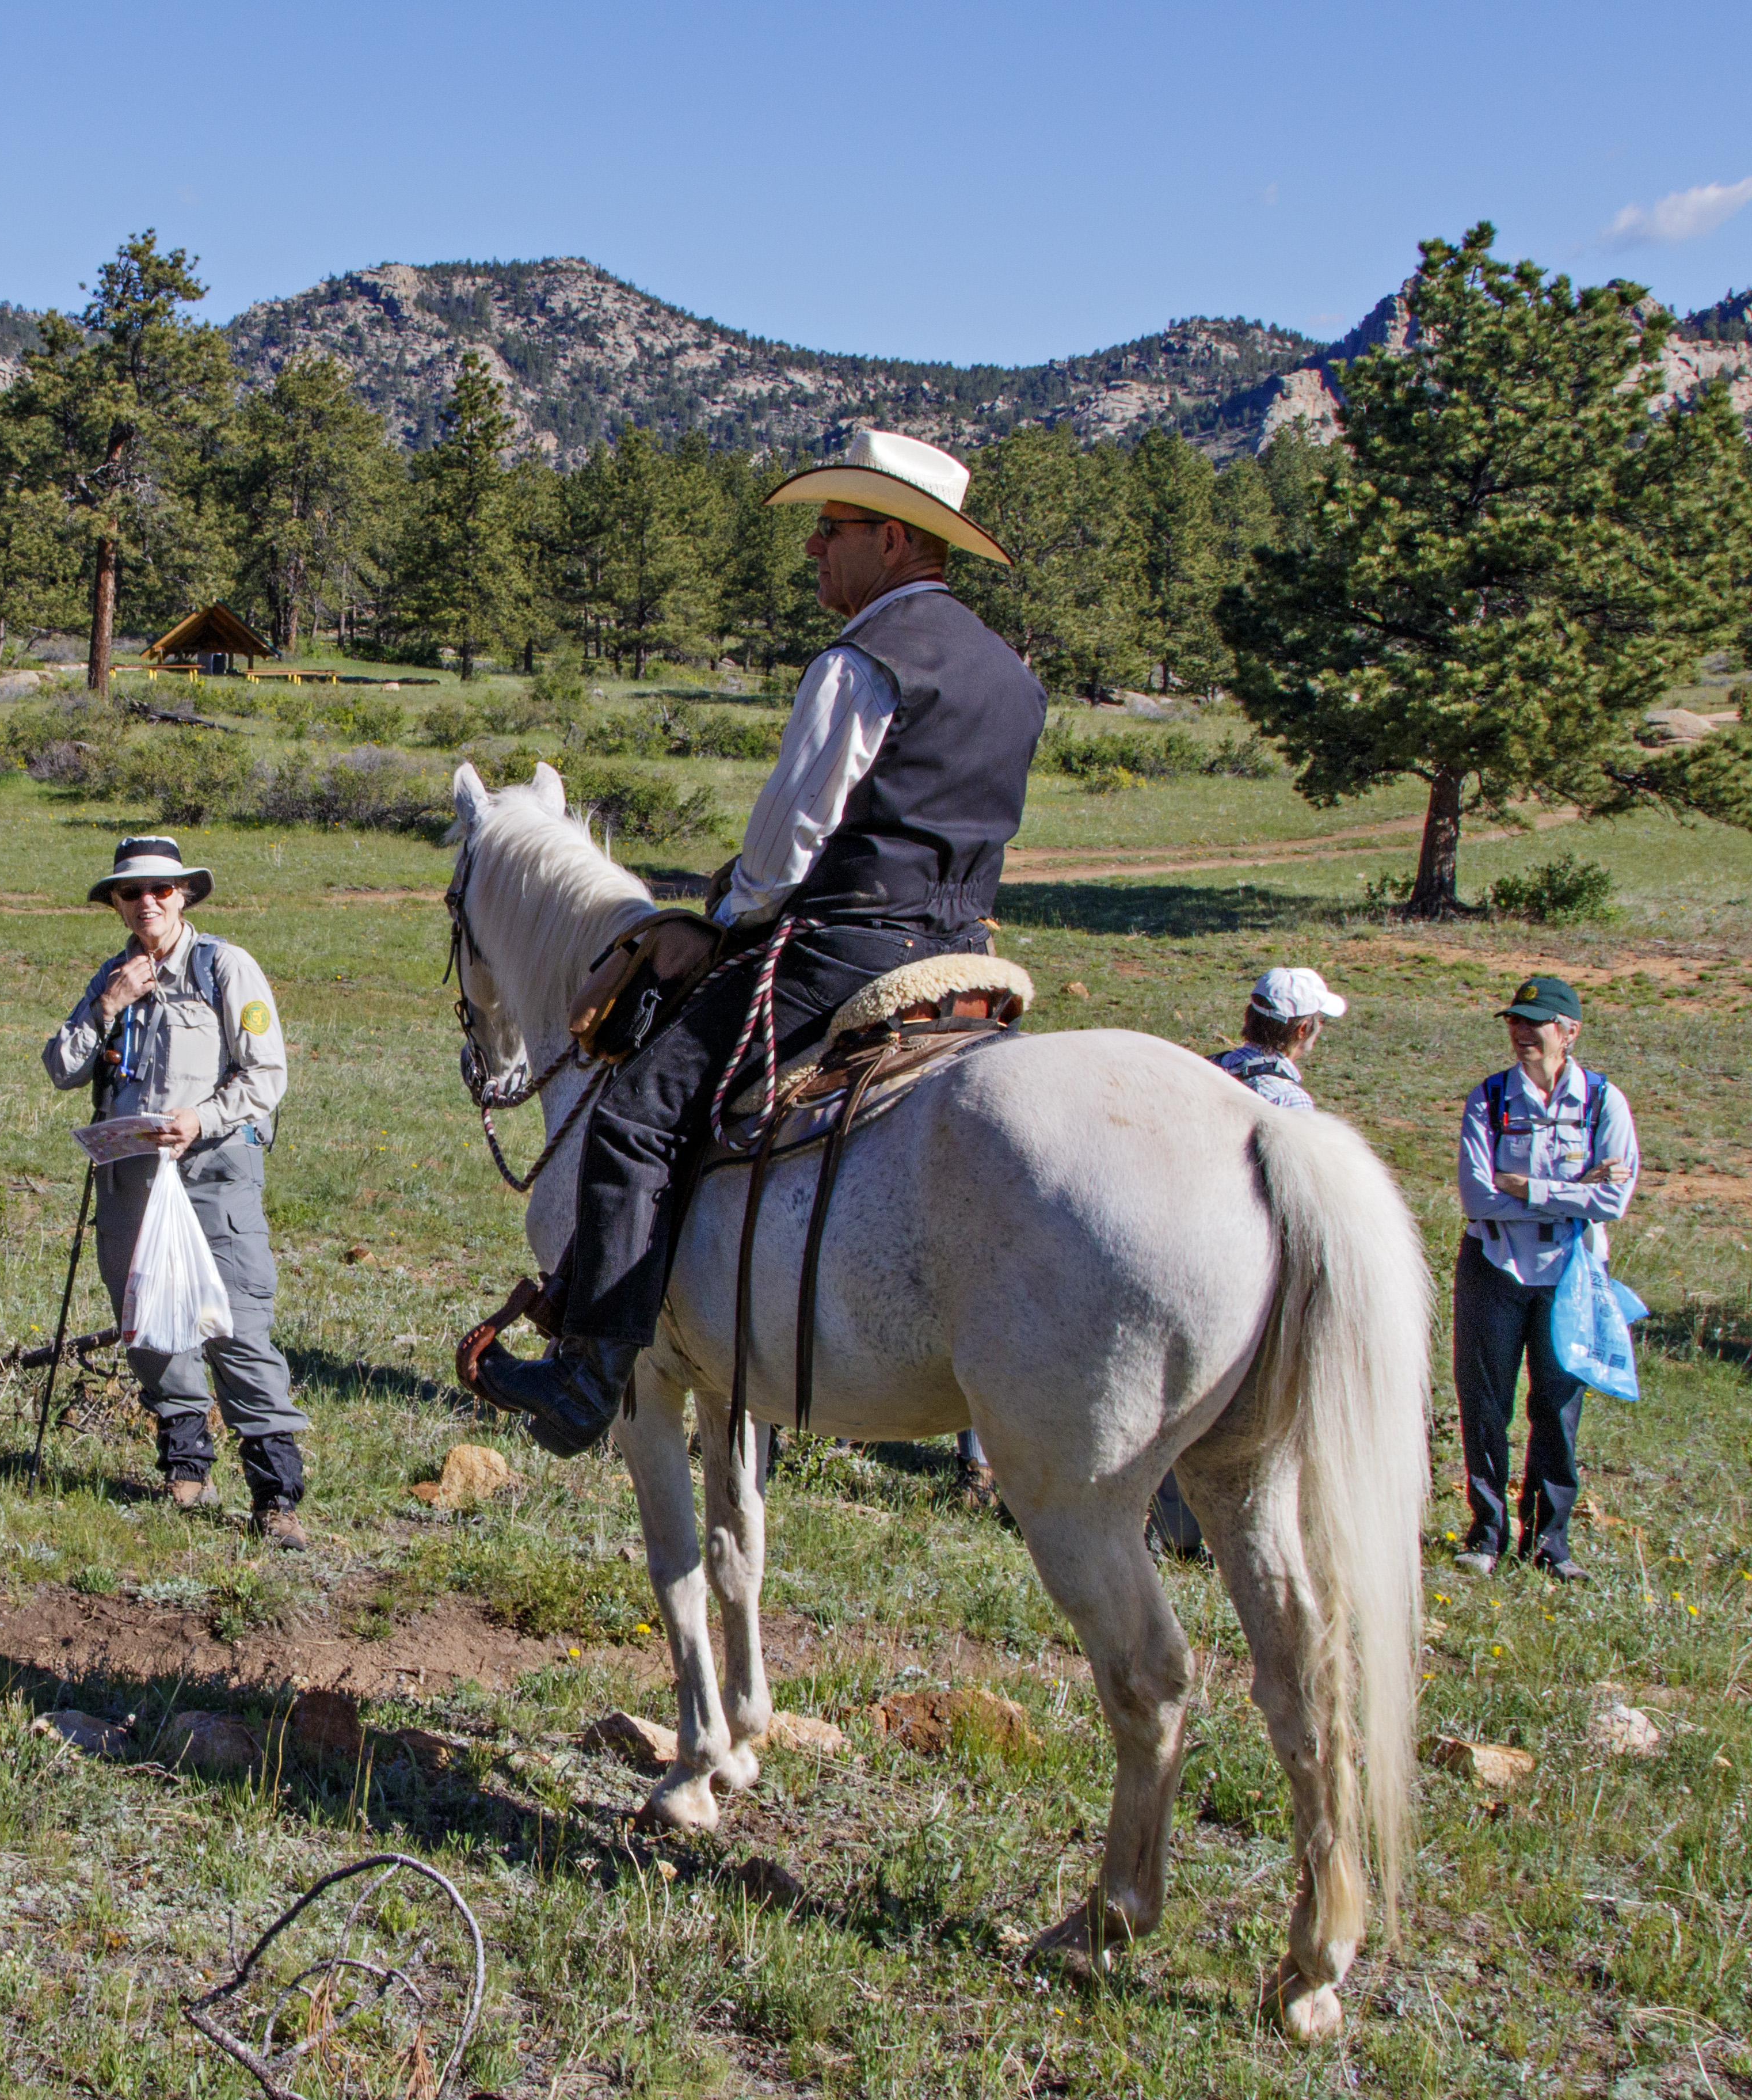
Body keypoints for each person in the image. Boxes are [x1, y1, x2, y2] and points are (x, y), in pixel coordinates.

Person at [468, 429, 1045, 1454]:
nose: (813, 549)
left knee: (637, 1112)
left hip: (846, 949)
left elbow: (786, 847)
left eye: (833, 528)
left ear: (897, 540)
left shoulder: (862, 660)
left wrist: (719, 922)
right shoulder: (1011, 675)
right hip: (968, 950)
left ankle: (588, 1373)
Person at [43, 837, 308, 1548]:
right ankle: (185, 1466)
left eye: (162, 889)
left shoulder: (225, 966)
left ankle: (277, 1493)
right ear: (117, 904)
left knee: (236, 1324)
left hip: (213, 1171)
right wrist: (107, 1003)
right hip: (129, 1174)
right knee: (147, 1318)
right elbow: (61, 1067)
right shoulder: (114, 974)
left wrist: (202, 1118)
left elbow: (266, 1076)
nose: (147, 902)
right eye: (132, 893)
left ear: (184, 895)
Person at [1140, 964, 1353, 1553]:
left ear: (1249, 1019)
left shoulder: (1203, 1076)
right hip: (1247, 1266)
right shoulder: (1290, 1105)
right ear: (1304, 1031)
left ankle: (1169, 1524)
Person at [1452, 975, 1638, 1582]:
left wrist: (1529, 1189)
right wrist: (1574, 1192)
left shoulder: (1604, 1103)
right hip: (1494, 1267)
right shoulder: (1490, 1099)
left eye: (1535, 1022)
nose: (1521, 1031)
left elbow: (1613, 1201)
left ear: (1571, 1031)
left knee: (1557, 1407)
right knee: (1485, 1405)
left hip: (1571, 1277)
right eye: (1514, 1021)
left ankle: (1550, 1542)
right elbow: (1479, 1198)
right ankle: (1486, 1532)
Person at [1211, 965, 1343, 1112]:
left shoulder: (1211, 1066)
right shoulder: (1289, 1100)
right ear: (1303, 1029)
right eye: (1321, 1020)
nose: (1321, 1027)